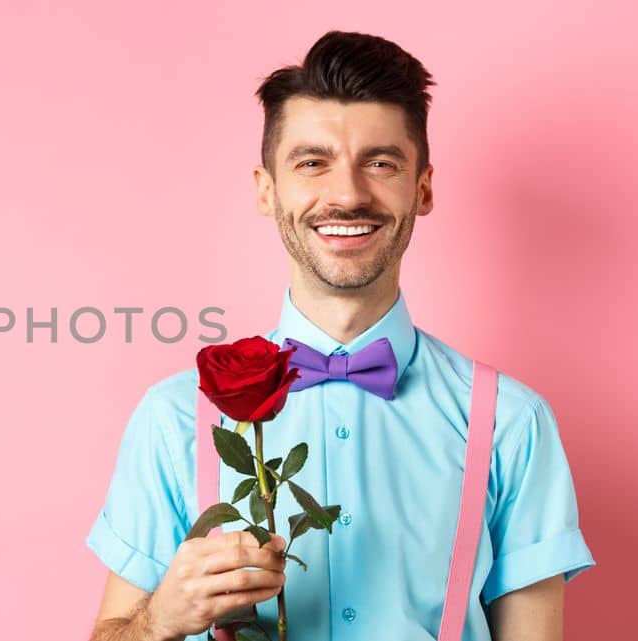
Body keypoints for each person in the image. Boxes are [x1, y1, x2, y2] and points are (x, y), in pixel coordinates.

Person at [85, 31, 595, 641]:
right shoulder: (173, 419)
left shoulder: (511, 422)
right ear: (266, 189)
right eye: (312, 162)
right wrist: (158, 621)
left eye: (380, 163)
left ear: (422, 188)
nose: (348, 194)